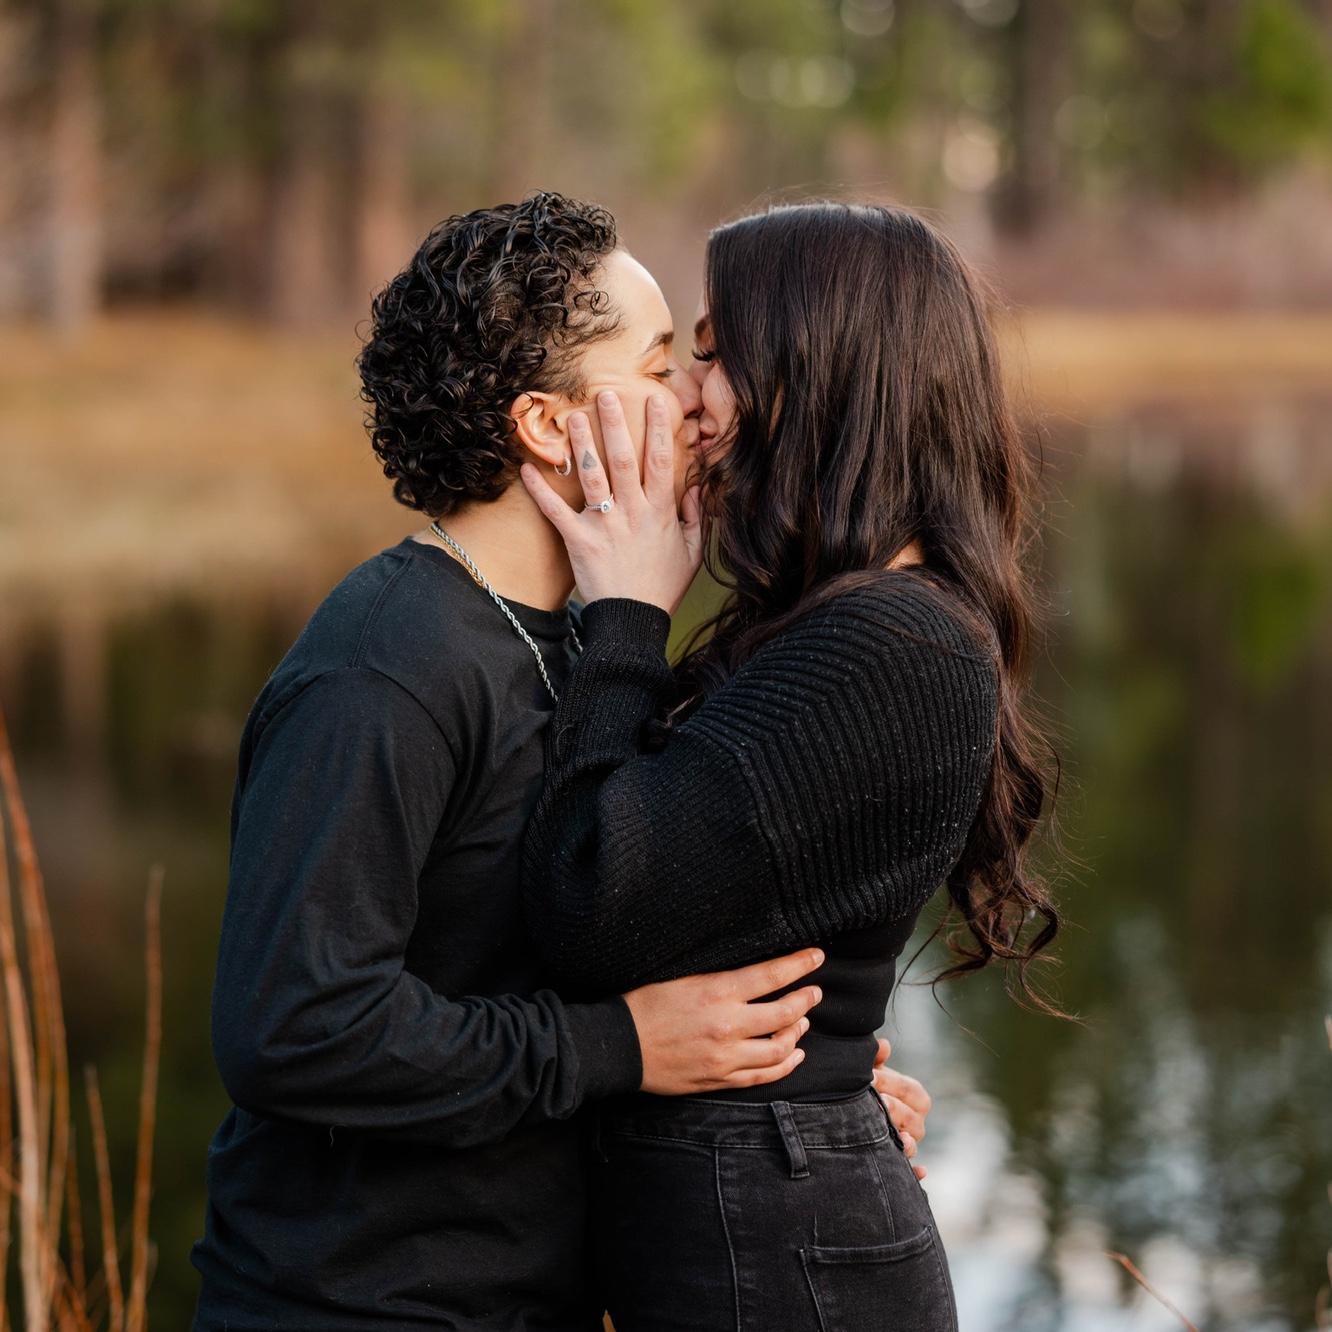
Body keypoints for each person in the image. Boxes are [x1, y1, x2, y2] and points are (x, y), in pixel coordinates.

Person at [190, 193, 935, 1332]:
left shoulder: (597, 643)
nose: (698, 401)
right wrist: (621, 1046)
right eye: (656, 368)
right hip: (356, 1306)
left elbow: (611, 926)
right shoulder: (389, 661)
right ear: (548, 426)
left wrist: (808, 1090)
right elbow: (296, 1025)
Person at [518, 201, 1065, 1331]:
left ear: (822, 375)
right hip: (765, 1223)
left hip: (782, 1257)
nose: (682, 398)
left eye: (714, 357)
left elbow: (586, 900)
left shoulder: (890, 645)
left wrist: (623, 612)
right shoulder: (841, 625)